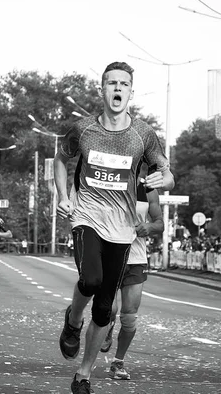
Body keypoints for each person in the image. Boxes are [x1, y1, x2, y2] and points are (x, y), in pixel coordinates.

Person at [54, 61, 174, 394]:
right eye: (111, 83)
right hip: (88, 217)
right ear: (102, 90)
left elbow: (167, 173)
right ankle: (73, 320)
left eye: (123, 84)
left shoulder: (143, 134)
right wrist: (64, 196)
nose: (117, 89)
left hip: (123, 230)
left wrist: (162, 177)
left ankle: (84, 375)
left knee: (106, 310)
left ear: (130, 92)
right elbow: (61, 160)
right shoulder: (83, 130)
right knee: (90, 280)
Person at [100, 165, 164, 380]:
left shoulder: (148, 190)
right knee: (110, 309)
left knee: (129, 318)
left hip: (136, 259)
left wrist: (149, 227)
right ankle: (107, 326)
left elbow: (160, 224)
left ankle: (118, 362)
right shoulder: (110, 184)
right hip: (111, 255)